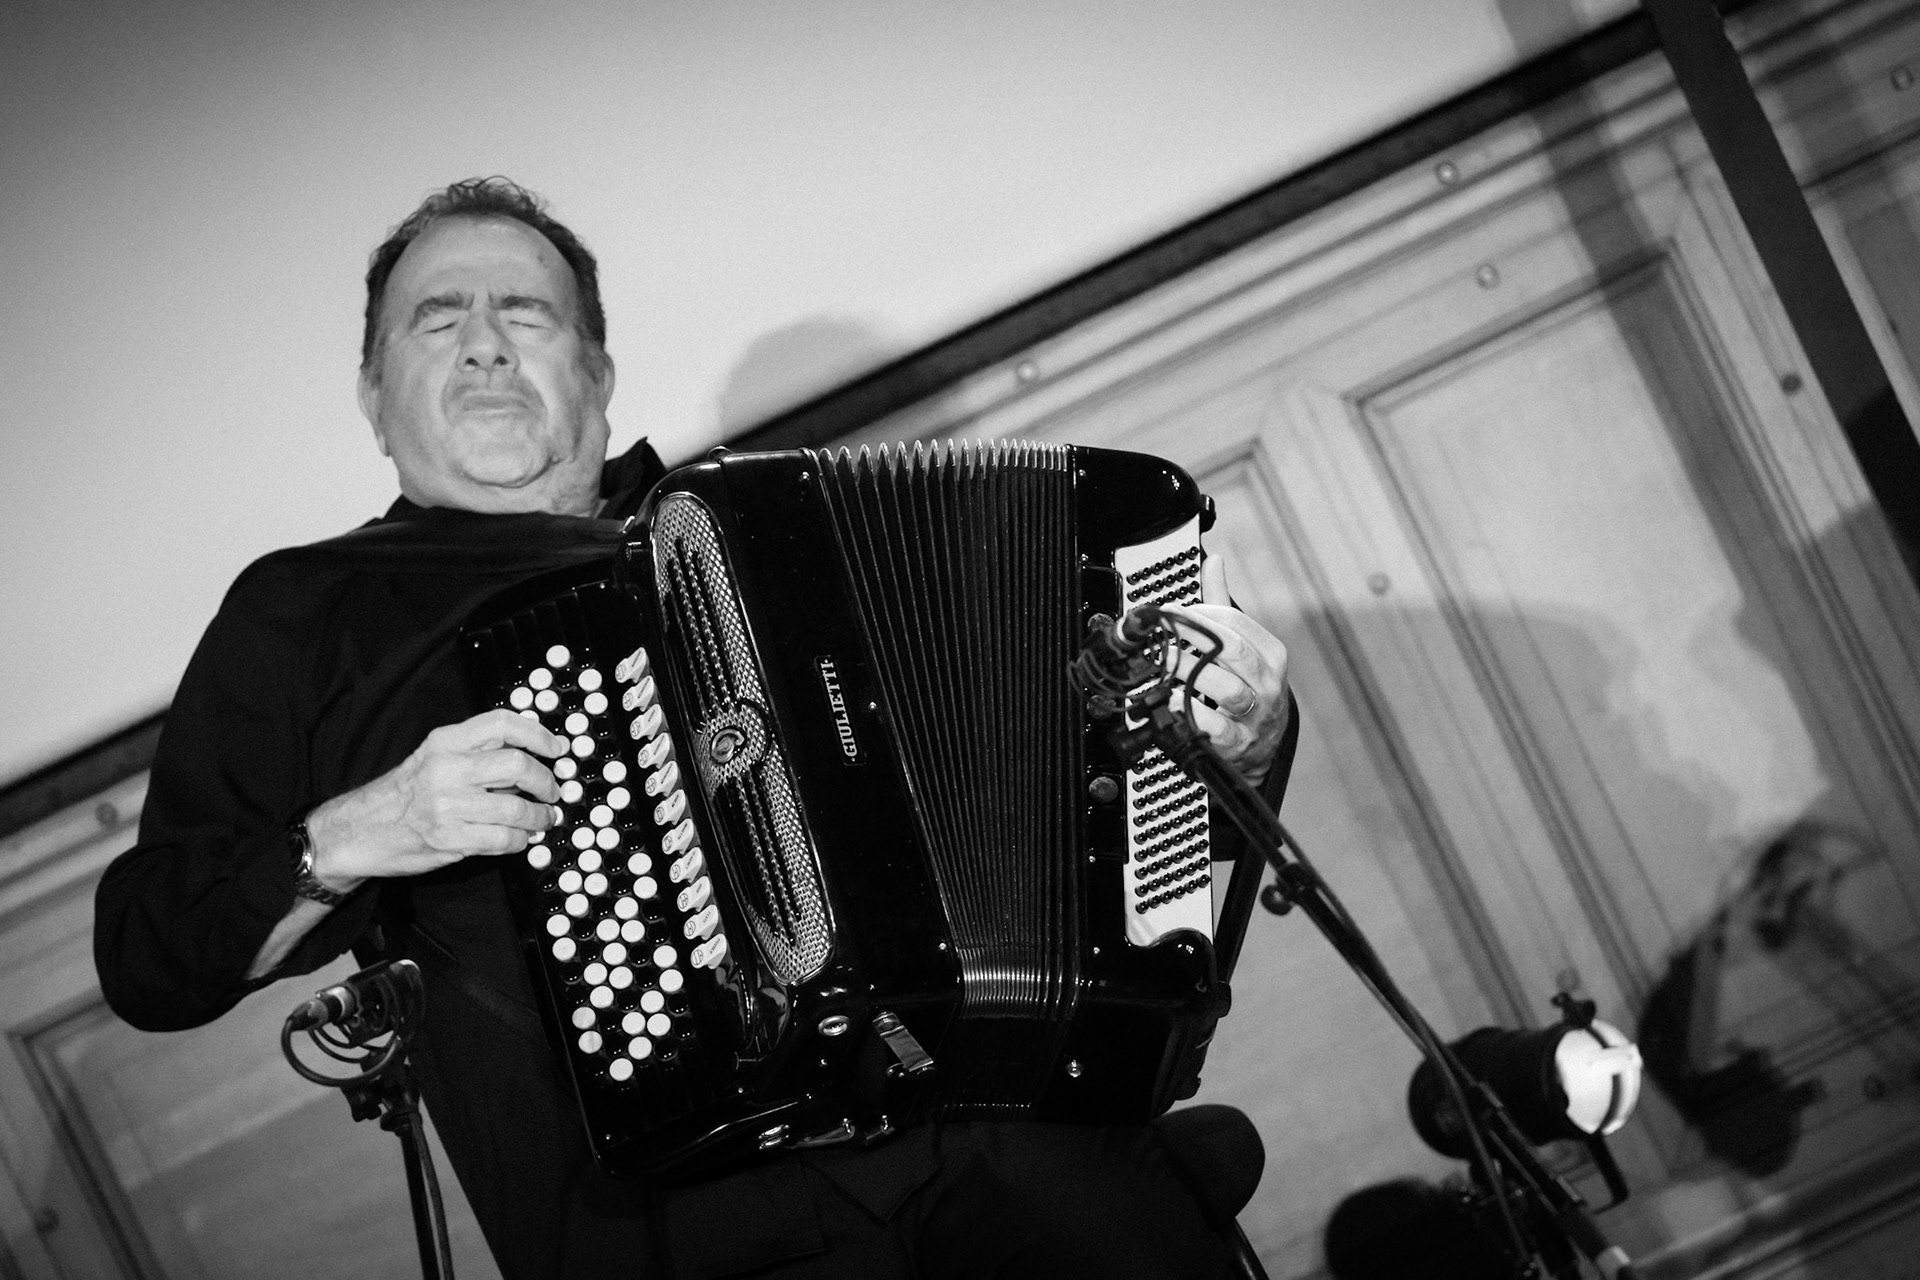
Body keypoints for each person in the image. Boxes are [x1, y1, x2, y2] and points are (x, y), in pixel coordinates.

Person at [94, 177, 1294, 1279]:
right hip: (682, 1237)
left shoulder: (770, 529)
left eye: (527, 310)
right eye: (435, 317)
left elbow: (1101, 800)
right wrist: (358, 831)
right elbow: (150, 951)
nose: (484, 342)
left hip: (1013, 1146)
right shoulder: (306, 612)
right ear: (372, 395)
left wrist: (1239, 724)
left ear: (599, 374)